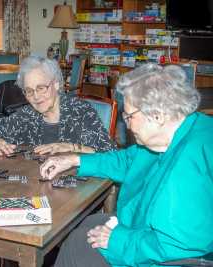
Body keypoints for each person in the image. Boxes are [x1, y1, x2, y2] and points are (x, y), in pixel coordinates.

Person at [40, 63, 213, 267]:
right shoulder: (183, 128)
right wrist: (74, 159)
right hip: (148, 229)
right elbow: (129, 160)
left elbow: (176, 246)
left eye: (129, 116)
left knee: (79, 246)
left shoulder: (188, 170)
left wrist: (116, 240)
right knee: (83, 225)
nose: (127, 125)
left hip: (170, 256)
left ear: (157, 115)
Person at [0, 56, 116, 156]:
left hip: (78, 188)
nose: (36, 97)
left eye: (41, 88)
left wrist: (71, 147)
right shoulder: (27, 115)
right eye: (29, 91)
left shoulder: (80, 111)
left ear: (56, 84)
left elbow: (111, 154)